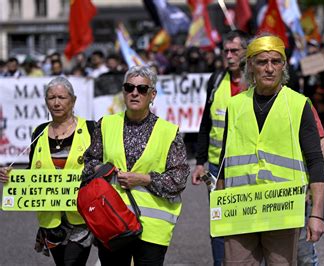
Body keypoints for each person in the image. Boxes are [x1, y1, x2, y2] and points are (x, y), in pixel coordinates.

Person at [217, 34, 324, 265]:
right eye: (262, 62)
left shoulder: (298, 105)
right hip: (241, 209)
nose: (269, 68)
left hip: (283, 210)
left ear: (284, 65)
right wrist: (217, 210)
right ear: (250, 66)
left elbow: (316, 162)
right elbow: (224, 162)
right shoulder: (235, 105)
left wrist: (316, 215)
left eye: (276, 61)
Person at [81, 65, 189, 265]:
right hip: (111, 221)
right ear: (123, 92)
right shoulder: (105, 124)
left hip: (152, 229)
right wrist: (104, 170)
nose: (134, 93)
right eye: (129, 88)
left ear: (152, 95)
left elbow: (179, 179)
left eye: (142, 89)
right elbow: (88, 163)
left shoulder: (168, 132)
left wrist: (144, 179)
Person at [0, 76, 95, 265]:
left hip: (81, 217)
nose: (57, 103)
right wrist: (12, 177)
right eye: (51, 98)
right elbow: (33, 171)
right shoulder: (39, 132)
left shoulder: (91, 129)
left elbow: (100, 168)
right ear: (46, 102)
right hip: (51, 220)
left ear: (73, 100)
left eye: (62, 97)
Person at [191, 29, 249, 265]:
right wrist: (200, 162)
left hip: (247, 168)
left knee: (246, 223)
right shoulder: (216, 80)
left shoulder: (257, 82)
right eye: (226, 51)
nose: (229, 55)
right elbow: (205, 123)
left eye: (234, 50)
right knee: (219, 221)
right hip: (215, 168)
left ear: (246, 52)